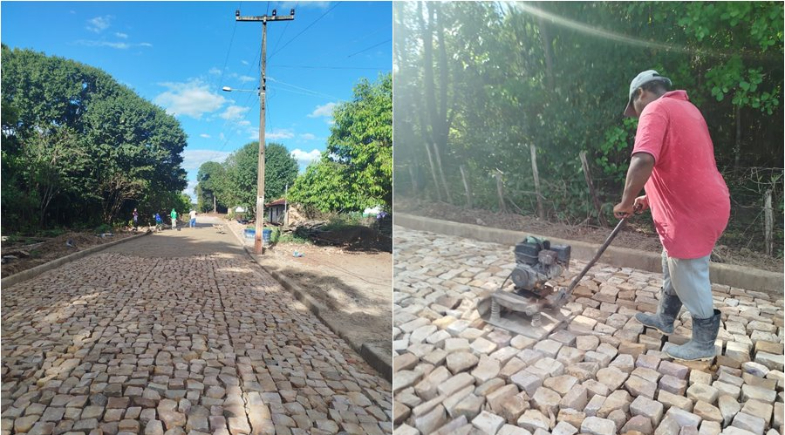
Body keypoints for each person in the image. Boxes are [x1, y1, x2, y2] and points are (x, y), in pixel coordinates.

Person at [614, 70, 730, 361]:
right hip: (701, 203)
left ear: (641, 93)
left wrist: (625, 201)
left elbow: (644, 159)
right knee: (672, 263)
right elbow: (681, 165)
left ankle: (703, 343)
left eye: (634, 105)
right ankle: (665, 318)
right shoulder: (687, 109)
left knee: (688, 273)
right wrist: (647, 198)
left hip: (691, 212)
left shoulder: (655, 109)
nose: (636, 113)